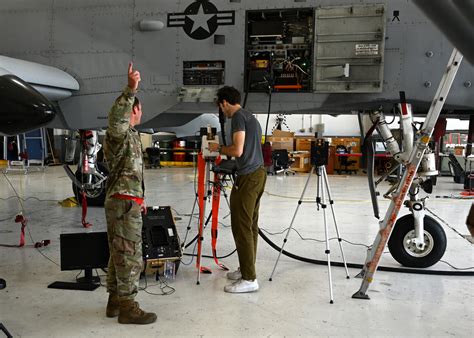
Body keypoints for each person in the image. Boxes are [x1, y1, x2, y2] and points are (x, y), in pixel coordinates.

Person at [103, 63, 157, 324]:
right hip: (122, 203)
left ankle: (114, 301)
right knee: (130, 255)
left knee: (118, 254)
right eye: (139, 107)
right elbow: (115, 120)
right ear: (134, 110)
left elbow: (131, 172)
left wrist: (140, 199)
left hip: (127, 200)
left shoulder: (133, 137)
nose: (141, 111)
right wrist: (130, 90)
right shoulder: (119, 134)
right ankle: (128, 307)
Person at [208, 86, 267, 293]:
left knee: (241, 226)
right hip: (258, 173)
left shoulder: (238, 117)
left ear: (224, 103)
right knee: (250, 225)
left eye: (220, 107)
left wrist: (218, 149)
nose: (222, 111)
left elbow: (237, 150)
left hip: (249, 176)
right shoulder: (250, 116)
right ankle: (246, 269)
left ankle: (249, 279)